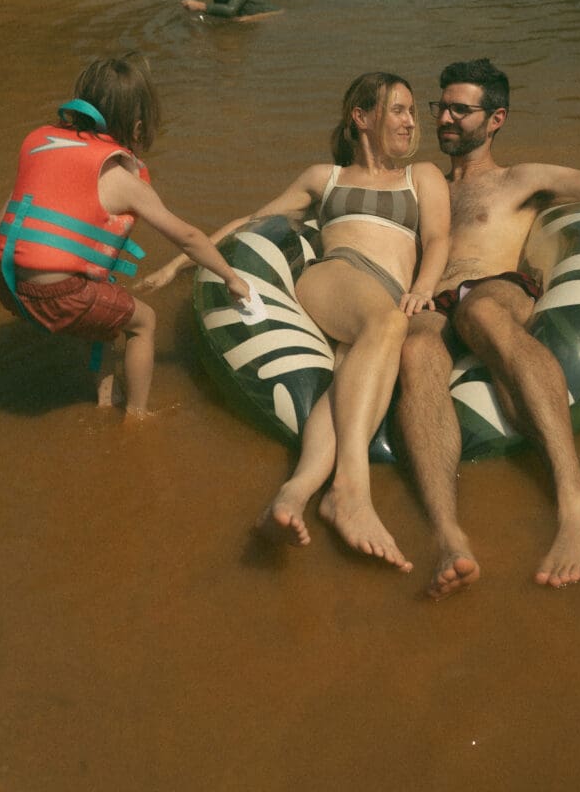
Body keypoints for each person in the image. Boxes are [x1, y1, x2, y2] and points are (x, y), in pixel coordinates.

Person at [395, 57, 580, 600]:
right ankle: (449, 535)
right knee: (415, 351)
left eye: (461, 108)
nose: (446, 119)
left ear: (496, 118)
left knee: (478, 311)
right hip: (431, 303)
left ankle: (577, 504)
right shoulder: (423, 189)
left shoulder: (519, 179)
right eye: (441, 107)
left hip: (493, 290)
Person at [139, 72, 450, 570]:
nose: (411, 120)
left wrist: (422, 288)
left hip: (389, 298)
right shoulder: (323, 177)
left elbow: (437, 239)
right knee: (386, 326)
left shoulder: (423, 177)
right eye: (398, 109)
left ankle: (295, 492)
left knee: (352, 371)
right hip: (337, 276)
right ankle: (352, 490)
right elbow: (252, 222)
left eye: (413, 111)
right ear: (361, 117)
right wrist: (181, 262)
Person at [0, 56, 249, 419]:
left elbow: (16, 211)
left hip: (6, 282)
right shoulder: (119, 179)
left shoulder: (43, 143)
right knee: (143, 322)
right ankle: (137, 416)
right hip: (56, 292)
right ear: (137, 125)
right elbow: (189, 237)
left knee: (107, 313)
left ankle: (105, 398)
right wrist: (231, 277)